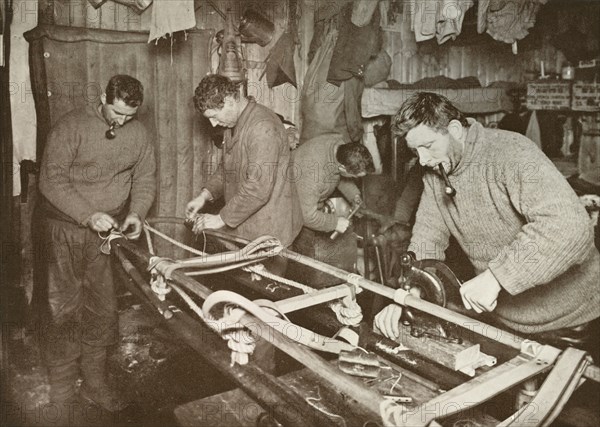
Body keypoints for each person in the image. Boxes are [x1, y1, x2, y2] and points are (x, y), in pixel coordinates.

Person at [375, 92, 599, 355]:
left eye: (428, 146)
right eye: (416, 151)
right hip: (507, 321)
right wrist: (410, 292)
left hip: (572, 322)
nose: (422, 160)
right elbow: (428, 237)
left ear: (455, 130)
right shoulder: (436, 171)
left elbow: (569, 225)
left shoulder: (511, 153)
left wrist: (496, 277)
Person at [38, 74, 156, 414]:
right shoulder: (71, 126)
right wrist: (88, 215)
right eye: (116, 112)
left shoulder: (138, 133)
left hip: (106, 236)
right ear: (103, 96)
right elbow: (51, 180)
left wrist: (136, 212)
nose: (121, 121)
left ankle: (94, 384)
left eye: (129, 116)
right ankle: (61, 393)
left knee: (102, 309)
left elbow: (145, 177)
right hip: (64, 232)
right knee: (63, 310)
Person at [187, 75, 303, 268]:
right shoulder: (233, 124)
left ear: (231, 101)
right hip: (248, 222)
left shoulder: (262, 127)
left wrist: (220, 218)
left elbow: (258, 188)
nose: (213, 124)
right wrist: (204, 195)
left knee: (267, 291)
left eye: (214, 116)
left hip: (271, 227)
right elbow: (227, 167)